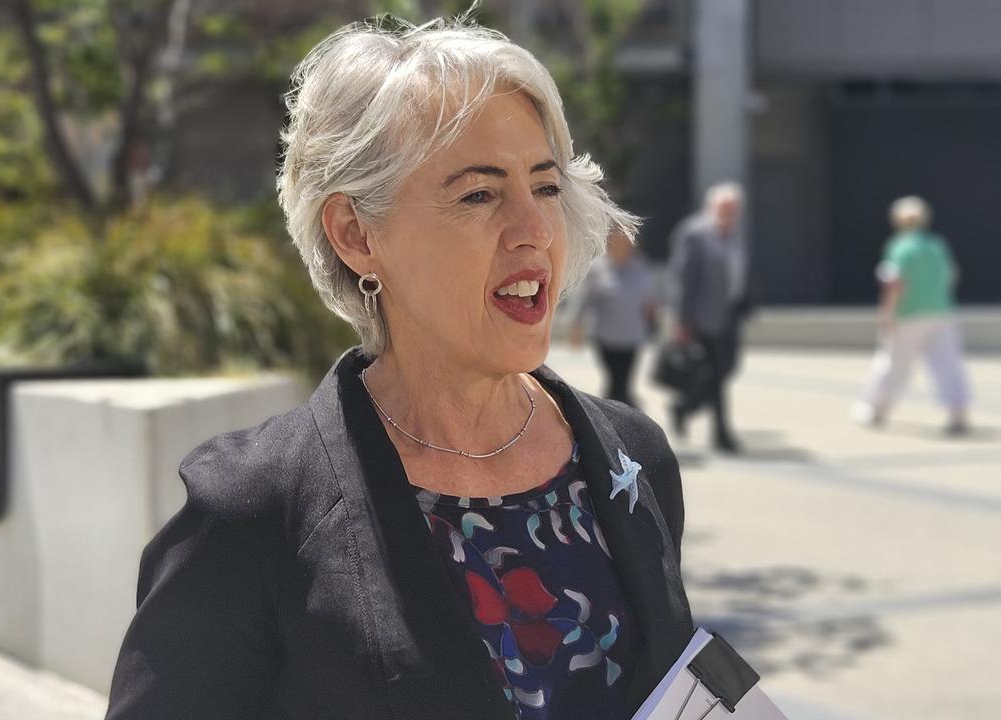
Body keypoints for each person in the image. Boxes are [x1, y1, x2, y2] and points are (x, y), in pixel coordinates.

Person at [105, 15, 693, 720]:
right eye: (479, 193)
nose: (535, 229)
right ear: (356, 234)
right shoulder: (252, 512)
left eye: (543, 186)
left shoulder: (635, 456)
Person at [852, 196, 970, 434]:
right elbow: (951, 275)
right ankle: (958, 411)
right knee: (947, 363)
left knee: (893, 363)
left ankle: (875, 409)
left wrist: (887, 313)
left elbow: (894, 283)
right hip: (940, 312)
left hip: (908, 314)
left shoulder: (900, 247)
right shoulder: (937, 245)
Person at [665, 183, 752, 454]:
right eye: (724, 209)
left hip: (729, 315)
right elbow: (683, 279)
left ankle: (684, 407)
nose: (730, 214)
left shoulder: (734, 235)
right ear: (711, 208)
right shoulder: (696, 234)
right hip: (701, 317)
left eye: (734, 209)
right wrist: (681, 320)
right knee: (715, 377)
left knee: (726, 369)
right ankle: (722, 434)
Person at [570, 228, 657, 408]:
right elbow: (585, 300)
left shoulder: (640, 265)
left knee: (621, 382)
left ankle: (613, 416)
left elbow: (649, 298)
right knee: (616, 381)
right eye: (618, 240)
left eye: (627, 241)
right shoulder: (598, 268)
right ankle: (619, 415)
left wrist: (653, 319)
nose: (623, 245)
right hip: (606, 337)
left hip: (632, 336)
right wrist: (576, 325)